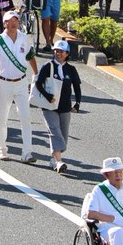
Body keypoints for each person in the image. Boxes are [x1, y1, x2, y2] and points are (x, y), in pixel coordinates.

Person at [0, 11, 38, 163]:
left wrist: (37, 75)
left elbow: (30, 57)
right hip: (4, 83)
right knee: (2, 117)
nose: (13, 23)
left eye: (15, 20)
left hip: (21, 82)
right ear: (5, 23)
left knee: (25, 118)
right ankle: (2, 149)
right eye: (10, 21)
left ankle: (27, 153)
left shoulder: (23, 38)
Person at [33, 40, 80, 173]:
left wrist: (77, 103)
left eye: (61, 51)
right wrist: (48, 97)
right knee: (54, 131)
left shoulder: (71, 69)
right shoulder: (47, 66)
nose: (58, 53)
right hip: (49, 106)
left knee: (63, 136)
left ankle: (54, 160)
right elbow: (38, 84)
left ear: (67, 53)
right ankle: (59, 162)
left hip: (65, 106)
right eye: (56, 51)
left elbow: (76, 87)